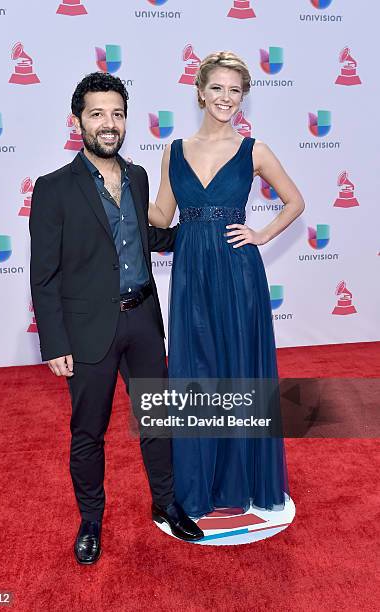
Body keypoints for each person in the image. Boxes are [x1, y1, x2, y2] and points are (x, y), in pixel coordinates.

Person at [30, 72, 203, 565]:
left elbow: (145, 239)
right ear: (78, 120)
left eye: (117, 114)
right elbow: (43, 276)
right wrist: (54, 342)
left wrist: (203, 235)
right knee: (89, 431)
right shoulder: (53, 189)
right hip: (88, 331)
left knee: (157, 421)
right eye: (98, 114)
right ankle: (91, 521)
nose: (109, 124)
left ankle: (166, 504)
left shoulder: (140, 176)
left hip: (143, 320)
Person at [149, 52, 305, 519]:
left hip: (238, 273)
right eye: (217, 88)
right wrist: (119, 191)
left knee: (239, 369)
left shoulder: (254, 150)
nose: (225, 98)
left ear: (243, 98)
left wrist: (260, 234)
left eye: (234, 90)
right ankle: (200, 484)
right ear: (200, 91)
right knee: (198, 372)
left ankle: (241, 478)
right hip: (191, 272)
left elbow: (295, 202)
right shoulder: (173, 150)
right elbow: (160, 215)